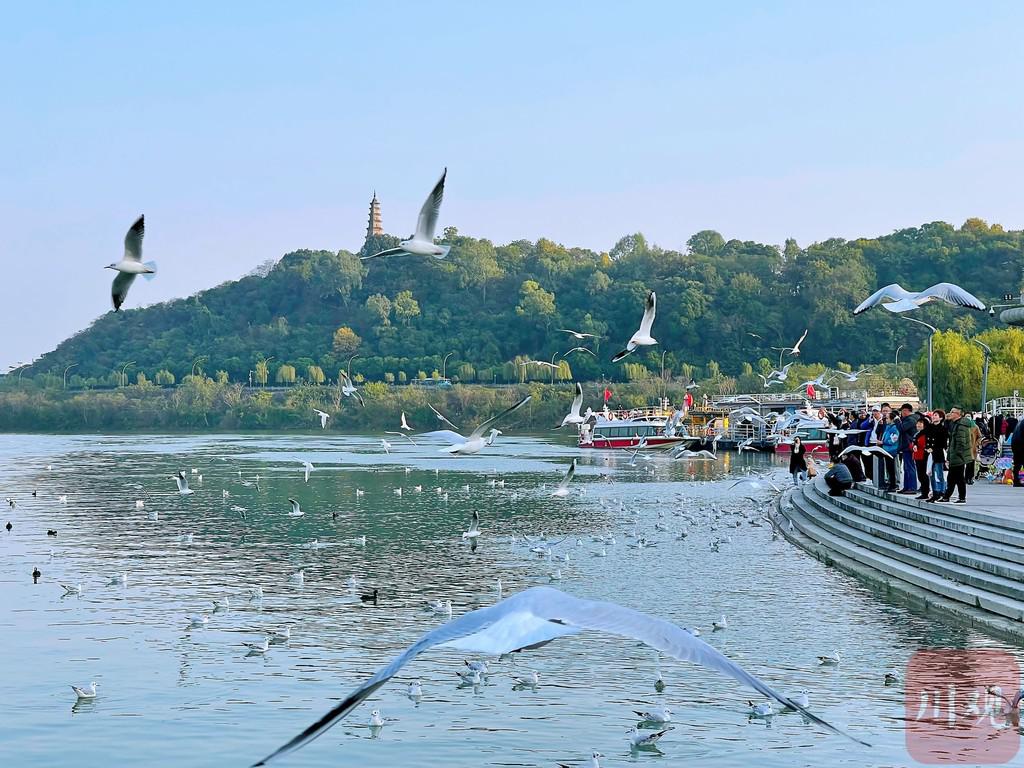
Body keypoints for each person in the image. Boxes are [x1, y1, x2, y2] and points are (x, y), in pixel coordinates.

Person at [942, 406, 973, 504]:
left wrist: (958, 454)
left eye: (952, 412)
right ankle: (947, 496)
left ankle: (960, 497)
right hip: (955, 455)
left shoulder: (961, 426)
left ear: (958, 414)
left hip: (958, 456)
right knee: (952, 477)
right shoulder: (954, 424)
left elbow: (961, 442)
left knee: (958, 477)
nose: (950, 413)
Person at [897, 403, 919, 494]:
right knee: (906, 467)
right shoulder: (910, 419)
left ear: (906, 411)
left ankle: (912, 487)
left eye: (902, 411)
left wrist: (897, 421)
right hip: (906, 446)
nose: (901, 413)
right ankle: (906, 487)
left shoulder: (911, 419)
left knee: (910, 467)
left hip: (909, 446)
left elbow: (901, 428)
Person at [928, 409, 948, 501]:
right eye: (933, 415)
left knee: (939, 474)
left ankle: (941, 490)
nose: (934, 417)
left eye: (936, 415)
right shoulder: (929, 427)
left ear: (941, 418)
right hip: (929, 453)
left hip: (938, 453)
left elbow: (943, 443)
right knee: (930, 473)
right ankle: (934, 491)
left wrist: (934, 448)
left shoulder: (943, 429)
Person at [880, 411, 901, 492]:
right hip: (886, 450)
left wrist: (883, 442)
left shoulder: (895, 428)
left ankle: (893, 484)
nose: (886, 420)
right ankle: (890, 483)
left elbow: (894, 440)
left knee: (892, 469)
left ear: (892, 419)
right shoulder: (888, 427)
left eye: (887, 418)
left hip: (891, 450)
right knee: (888, 469)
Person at [912, 417, 930, 500]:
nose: (918, 425)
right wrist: (913, 446)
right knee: (920, 475)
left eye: (920, 423)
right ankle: (924, 491)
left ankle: (925, 492)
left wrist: (917, 445)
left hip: (923, 456)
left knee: (923, 475)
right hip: (917, 456)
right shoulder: (917, 434)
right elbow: (913, 443)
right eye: (917, 423)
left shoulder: (926, 434)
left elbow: (925, 445)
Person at [1011, 416, 1024, 487]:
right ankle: (1016, 481)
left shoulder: (1020, 422)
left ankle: (1016, 481)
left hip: (1015, 444)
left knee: (1017, 463)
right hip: (1021, 444)